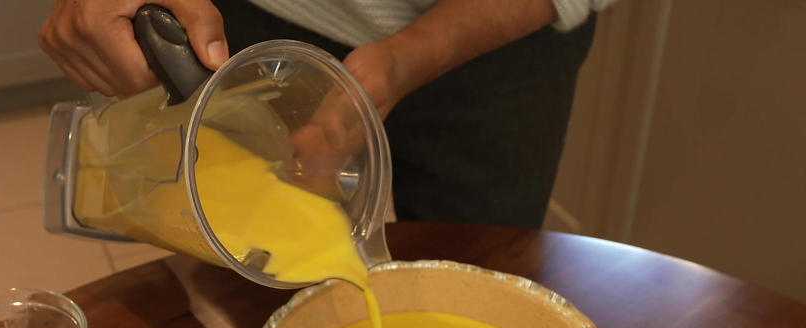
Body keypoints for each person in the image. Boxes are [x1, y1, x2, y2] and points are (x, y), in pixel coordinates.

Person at [40, 0, 614, 228]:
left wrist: (404, 59)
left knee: (475, 275)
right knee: (227, 263)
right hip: (251, 22)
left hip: (503, 46)